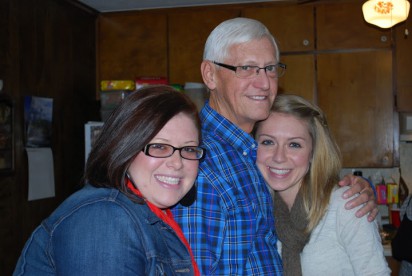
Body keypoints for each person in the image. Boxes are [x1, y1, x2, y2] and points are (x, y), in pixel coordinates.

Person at [172, 17, 378, 275]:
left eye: (270, 68)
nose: (264, 83)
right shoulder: (198, 161)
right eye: (247, 68)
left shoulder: (249, 154)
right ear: (210, 74)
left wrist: (361, 187)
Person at [14, 85, 203, 275]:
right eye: (160, 146)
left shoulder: (151, 213)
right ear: (125, 147)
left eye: (188, 149)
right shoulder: (104, 218)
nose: (177, 163)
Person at [255, 94, 390, 275]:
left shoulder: (346, 206)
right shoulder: (257, 211)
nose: (279, 157)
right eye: (268, 142)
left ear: (313, 153)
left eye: (294, 145)